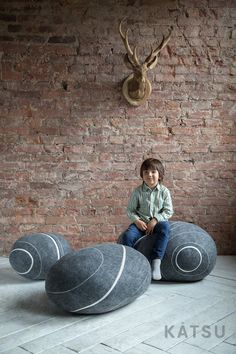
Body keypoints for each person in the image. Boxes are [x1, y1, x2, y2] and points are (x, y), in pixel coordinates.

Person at [122, 158, 174, 280]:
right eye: (146, 172)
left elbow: (168, 211)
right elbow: (130, 210)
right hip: (141, 223)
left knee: (165, 228)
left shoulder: (164, 192)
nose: (149, 175)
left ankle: (156, 263)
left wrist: (155, 220)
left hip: (158, 223)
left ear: (159, 175)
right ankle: (130, 265)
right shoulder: (138, 192)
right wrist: (137, 221)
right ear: (142, 175)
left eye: (153, 172)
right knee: (128, 236)